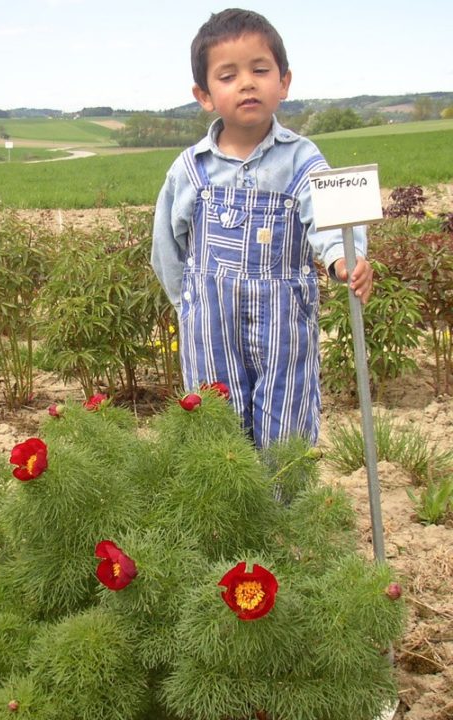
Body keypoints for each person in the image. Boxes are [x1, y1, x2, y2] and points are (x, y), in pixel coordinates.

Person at [151, 8, 373, 449]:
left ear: (284, 82)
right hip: (209, 327)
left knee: (285, 428)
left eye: (260, 69)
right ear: (204, 94)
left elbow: (332, 219)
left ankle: (285, 516)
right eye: (228, 75)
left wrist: (343, 257)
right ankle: (227, 518)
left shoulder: (302, 160)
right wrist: (188, 303)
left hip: (284, 326)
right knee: (218, 433)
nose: (247, 83)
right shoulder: (191, 170)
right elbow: (166, 249)